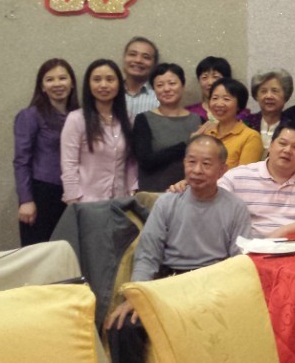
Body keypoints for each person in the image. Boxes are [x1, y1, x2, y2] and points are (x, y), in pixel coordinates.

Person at [104, 135, 251, 363]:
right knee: (123, 325)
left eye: (206, 164)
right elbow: (147, 255)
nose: (197, 170)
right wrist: (136, 295)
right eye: (191, 162)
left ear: (222, 169)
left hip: (212, 287)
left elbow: (238, 262)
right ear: (184, 163)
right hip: (169, 283)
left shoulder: (236, 208)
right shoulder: (167, 203)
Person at [218, 122, 295, 237]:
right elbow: (214, 207)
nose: (287, 150)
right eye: (282, 143)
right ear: (270, 146)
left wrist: (282, 232)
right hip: (248, 244)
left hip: (293, 244)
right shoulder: (237, 176)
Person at [14, 58, 79, 246]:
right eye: (50, 79)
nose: (57, 84)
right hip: (42, 193)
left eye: (62, 78)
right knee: (38, 252)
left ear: (72, 83)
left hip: (73, 195)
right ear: (42, 87)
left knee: (68, 251)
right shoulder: (30, 115)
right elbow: (21, 161)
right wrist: (26, 200)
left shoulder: (80, 116)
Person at [60, 59, 137, 203]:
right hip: (87, 202)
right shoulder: (77, 119)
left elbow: (131, 161)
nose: (103, 85)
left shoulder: (128, 119)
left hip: (121, 201)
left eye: (110, 79)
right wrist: (73, 201)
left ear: (119, 84)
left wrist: (133, 192)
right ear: (88, 84)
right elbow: (69, 164)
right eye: (97, 80)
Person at [132, 63, 203, 192]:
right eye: (160, 85)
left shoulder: (199, 120)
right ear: (154, 90)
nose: (166, 89)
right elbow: (146, 161)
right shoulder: (143, 119)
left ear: (182, 85)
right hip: (154, 194)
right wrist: (187, 144)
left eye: (172, 83)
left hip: (192, 194)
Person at [195, 78, 263, 169]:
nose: (219, 104)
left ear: (239, 105)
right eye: (215, 98)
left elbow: (244, 175)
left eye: (226, 99)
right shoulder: (206, 133)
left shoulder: (250, 137)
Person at [242, 68, 293, 153]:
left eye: (275, 91)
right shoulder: (245, 123)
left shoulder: (293, 127)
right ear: (256, 96)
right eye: (263, 91)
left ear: (286, 95)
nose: (269, 96)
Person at [186, 56, 248, 121]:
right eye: (204, 77)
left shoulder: (242, 114)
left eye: (215, 77)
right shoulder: (189, 113)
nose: (210, 82)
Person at [121, 36, 160, 117]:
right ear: (124, 58)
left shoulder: (160, 97)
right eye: (132, 54)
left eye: (146, 57)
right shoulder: (110, 93)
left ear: (154, 64)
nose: (138, 60)